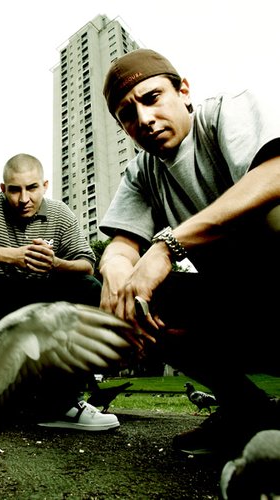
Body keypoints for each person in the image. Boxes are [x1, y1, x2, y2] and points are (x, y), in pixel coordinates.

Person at [99, 48, 280, 457]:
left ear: (183, 91)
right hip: (238, 304)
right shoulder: (142, 171)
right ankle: (247, 411)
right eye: (128, 115)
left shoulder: (224, 113)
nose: (144, 119)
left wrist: (167, 246)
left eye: (152, 99)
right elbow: (122, 244)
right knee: (141, 296)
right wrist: (116, 273)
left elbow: (276, 173)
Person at [0, 153, 120, 431]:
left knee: (88, 286)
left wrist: (56, 263)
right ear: (2, 189)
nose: (23, 199)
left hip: (38, 303)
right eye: (14, 190)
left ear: (45, 185)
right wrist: (12, 255)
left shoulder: (60, 213)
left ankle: (62, 404)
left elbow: (86, 265)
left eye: (32, 188)